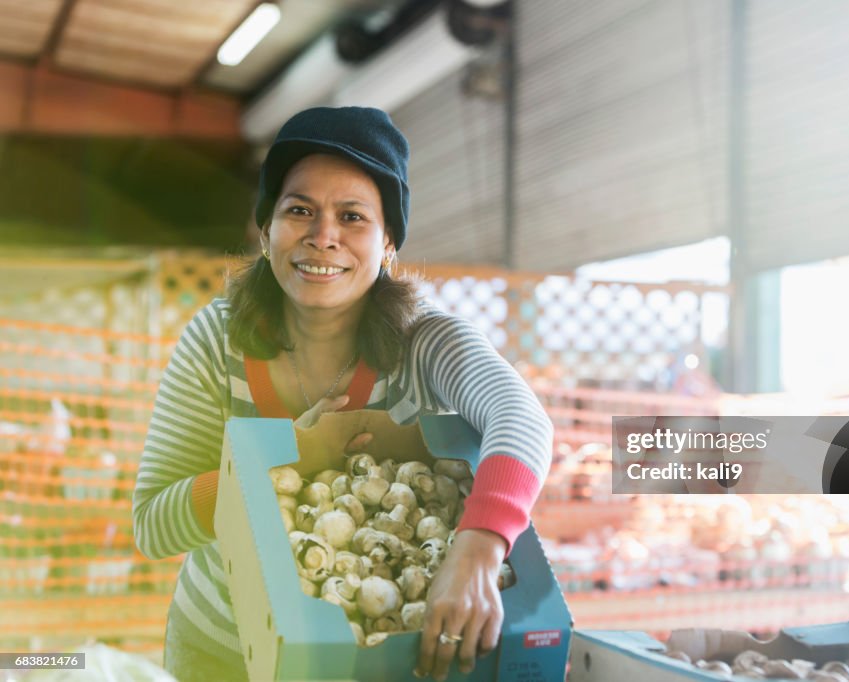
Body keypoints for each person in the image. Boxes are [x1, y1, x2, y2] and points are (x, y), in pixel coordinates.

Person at [132, 106, 553, 681]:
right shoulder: (216, 339)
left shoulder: (421, 342)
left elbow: (521, 417)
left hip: (362, 656)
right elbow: (153, 524)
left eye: (352, 216)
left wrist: (477, 551)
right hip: (220, 653)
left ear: (387, 244)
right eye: (299, 209)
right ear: (267, 228)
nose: (323, 236)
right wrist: (268, 465)